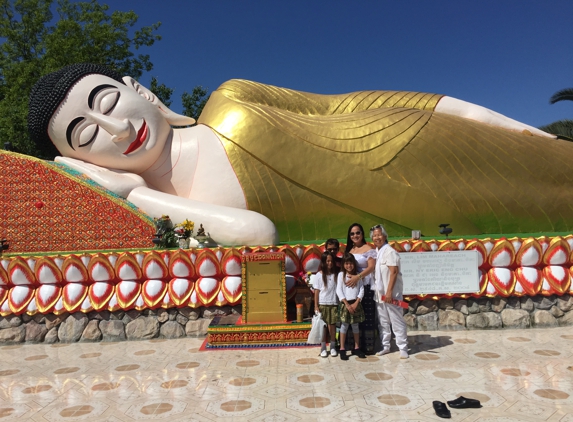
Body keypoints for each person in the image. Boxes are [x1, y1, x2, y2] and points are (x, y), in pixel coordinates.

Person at [28, 64, 573, 246]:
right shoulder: (174, 211)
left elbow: (347, 105)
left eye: (105, 101)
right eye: (84, 134)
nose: (115, 128)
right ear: (83, 164)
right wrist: (135, 196)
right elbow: (257, 233)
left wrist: (489, 119)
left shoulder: (229, 99)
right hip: (426, 215)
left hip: (418, 142)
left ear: (137, 90)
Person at [371, 224, 409, 359]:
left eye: (379, 235)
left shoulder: (390, 252)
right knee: (383, 322)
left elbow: (393, 272)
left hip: (391, 294)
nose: (377, 237)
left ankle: (403, 347)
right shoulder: (377, 252)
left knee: (396, 320)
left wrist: (388, 292)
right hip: (379, 295)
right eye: (374, 236)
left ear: (385, 236)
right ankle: (385, 346)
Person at [344, 223, 377, 354]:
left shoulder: (368, 248)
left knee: (367, 316)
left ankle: (368, 346)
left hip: (366, 285)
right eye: (352, 234)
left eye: (357, 233)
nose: (355, 235)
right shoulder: (350, 250)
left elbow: (371, 267)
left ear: (362, 234)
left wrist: (358, 277)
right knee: (354, 315)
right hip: (353, 288)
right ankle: (355, 346)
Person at [336, 253, 366, 360]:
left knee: (355, 326)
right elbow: (339, 290)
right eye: (347, 263)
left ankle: (357, 347)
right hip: (346, 304)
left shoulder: (358, 275)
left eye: (351, 263)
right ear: (343, 264)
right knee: (344, 326)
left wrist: (357, 302)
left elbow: (361, 289)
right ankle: (342, 348)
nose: (349, 266)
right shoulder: (341, 275)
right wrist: (347, 304)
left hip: (355, 304)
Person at [312, 251, 340, 358]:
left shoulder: (336, 274)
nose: (330, 263)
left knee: (332, 327)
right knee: (323, 327)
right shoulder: (319, 275)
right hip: (322, 304)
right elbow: (317, 291)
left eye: (331, 261)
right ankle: (323, 347)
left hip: (333, 303)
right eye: (327, 261)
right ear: (324, 262)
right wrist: (316, 306)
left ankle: (332, 346)